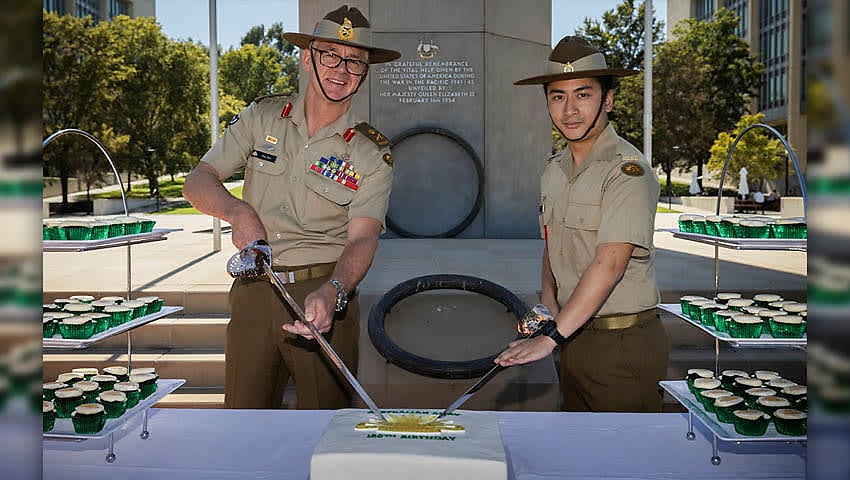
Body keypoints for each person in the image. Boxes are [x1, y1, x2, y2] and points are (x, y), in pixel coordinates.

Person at [182, 5, 400, 410]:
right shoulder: (262, 117)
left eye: (355, 61)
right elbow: (197, 181)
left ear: (366, 71)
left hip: (322, 292)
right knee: (243, 423)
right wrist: (238, 212)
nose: (341, 69)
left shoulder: (371, 152)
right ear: (308, 56)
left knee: (324, 428)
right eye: (330, 55)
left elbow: (363, 237)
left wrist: (334, 290)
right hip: (253, 288)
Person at [495, 36, 670, 412]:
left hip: (621, 342)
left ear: (607, 100)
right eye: (558, 96)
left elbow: (609, 265)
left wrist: (551, 338)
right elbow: (552, 244)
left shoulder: (628, 171)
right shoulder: (554, 168)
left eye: (583, 95)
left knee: (624, 463)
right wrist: (548, 303)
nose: (569, 109)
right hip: (572, 337)